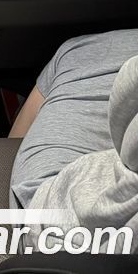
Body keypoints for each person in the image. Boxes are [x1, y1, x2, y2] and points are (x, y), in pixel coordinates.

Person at [9, 29, 138, 209]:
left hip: (51, 207)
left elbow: (13, 142)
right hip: (45, 197)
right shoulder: (75, 48)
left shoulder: (79, 47)